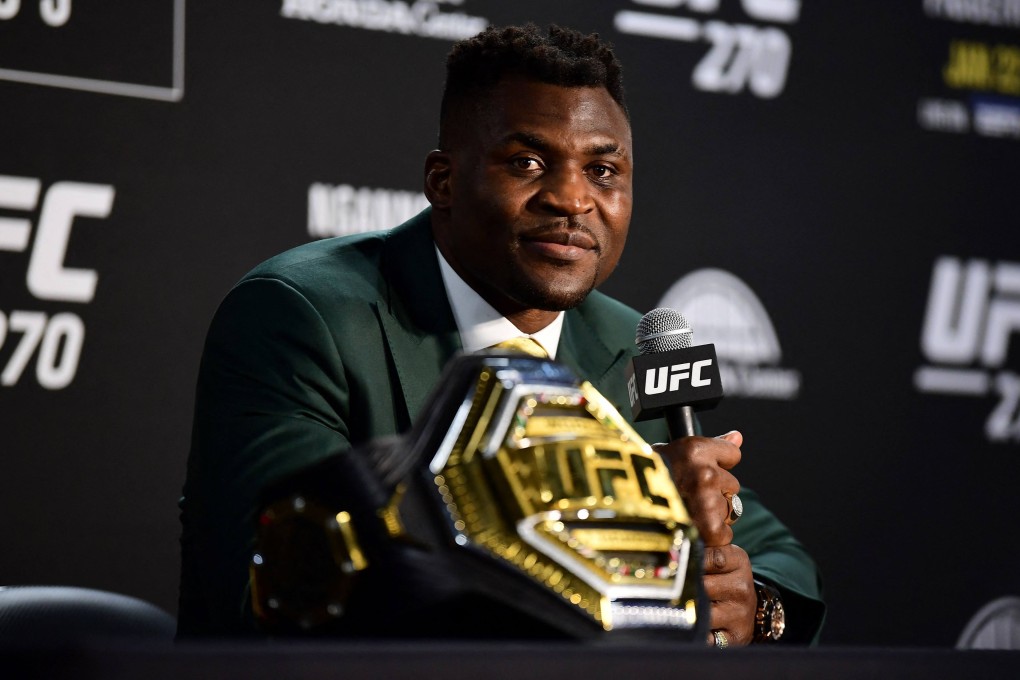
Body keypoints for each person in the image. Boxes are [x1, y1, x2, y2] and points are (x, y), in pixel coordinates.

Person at [178, 23, 825, 645]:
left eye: (603, 171)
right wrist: (616, 508)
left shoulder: (632, 344)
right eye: (528, 161)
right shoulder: (302, 315)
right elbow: (287, 582)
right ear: (443, 181)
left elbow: (776, 555)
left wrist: (754, 605)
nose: (572, 198)